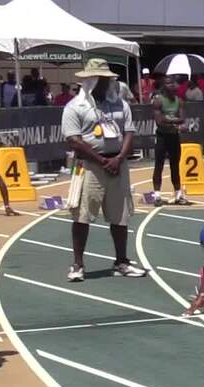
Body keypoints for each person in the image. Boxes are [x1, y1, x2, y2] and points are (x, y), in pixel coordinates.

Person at [61, 59, 147, 282]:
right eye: (103, 79)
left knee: (120, 216)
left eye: (109, 79)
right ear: (91, 81)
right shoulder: (75, 107)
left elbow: (129, 132)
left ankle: (121, 261)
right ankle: (78, 264)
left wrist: (119, 158)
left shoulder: (120, 105)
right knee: (82, 215)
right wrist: (102, 160)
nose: (107, 83)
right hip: (89, 167)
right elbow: (74, 141)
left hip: (118, 166)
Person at [151, 76, 188, 206]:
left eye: (173, 83)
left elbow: (182, 119)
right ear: (163, 86)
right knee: (159, 165)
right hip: (162, 137)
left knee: (175, 166)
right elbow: (159, 121)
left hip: (173, 137)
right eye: (168, 83)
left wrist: (170, 120)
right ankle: (157, 195)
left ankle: (178, 195)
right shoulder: (158, 101)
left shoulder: (179, 101)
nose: (171, 85)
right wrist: (175, 122)